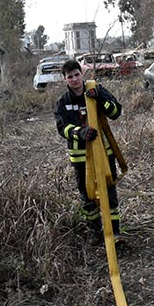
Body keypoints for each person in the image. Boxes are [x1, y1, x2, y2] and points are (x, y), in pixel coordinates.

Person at [55, 59, 123, 242]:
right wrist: (80, 132)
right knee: (88, 197)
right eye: (70, 77)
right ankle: (94, 232)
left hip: (103, 153)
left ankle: (115, 232)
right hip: (80, 158)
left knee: (109, 193)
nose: (75, 79)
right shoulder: (63, 102)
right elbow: (62, 128)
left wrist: (100, 98)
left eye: (77, 74)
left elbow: (116, 112)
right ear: (65, 79)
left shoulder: (96, 90)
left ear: (82, 74)